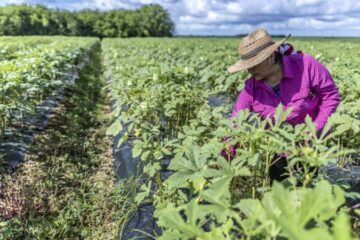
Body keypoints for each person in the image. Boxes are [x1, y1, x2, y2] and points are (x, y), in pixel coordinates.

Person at [225, 28, 340, 183]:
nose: (250, 69)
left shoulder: (306, 65)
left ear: (271, 56)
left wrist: (316, 128)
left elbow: (330, 96)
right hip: (277, 150)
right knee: (280, 196)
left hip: (308, 144)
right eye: (247, 64)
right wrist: (225, 159)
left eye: (254, 63)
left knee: (305, 193)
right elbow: (234, 124)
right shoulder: (250, 89)